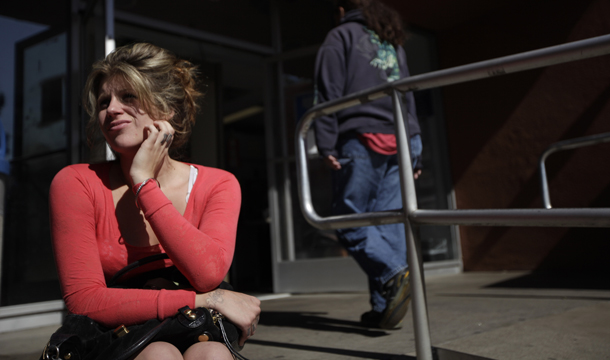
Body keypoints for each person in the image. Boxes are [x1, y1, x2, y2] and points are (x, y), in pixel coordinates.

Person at [49, 43, 261, 360]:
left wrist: (144, 184)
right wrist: (208, 301)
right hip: (117, 334)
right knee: (158, 355)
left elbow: (207, 275)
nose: (111, 110)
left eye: (128, 97)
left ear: (166, 109)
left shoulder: (218, 183)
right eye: (104, 101)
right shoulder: (76, 182)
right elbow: (85, 299)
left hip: (193, 329)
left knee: (213, 355)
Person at [313, 0, 423, 329]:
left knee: (347, 220)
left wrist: (326, 141)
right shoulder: (390, 40)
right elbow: (407, 95)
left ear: (343, 9)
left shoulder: (340, 35)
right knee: (387, 225)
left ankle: (395, 274)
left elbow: (327, 92)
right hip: (401, 138)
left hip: (361, 136)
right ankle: (384, 308)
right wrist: (415, 145)